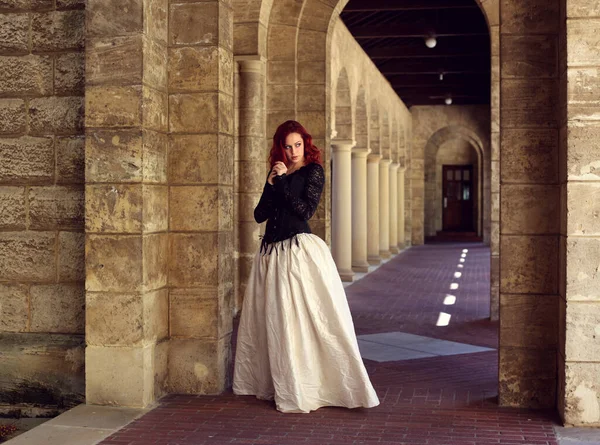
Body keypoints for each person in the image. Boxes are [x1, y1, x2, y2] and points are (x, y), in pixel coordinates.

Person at [233, 120, 380, 414]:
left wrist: (284, 181)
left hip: (298, 253)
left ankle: (311, 384)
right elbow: (259, 214)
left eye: (297, 145)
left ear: (305, 144)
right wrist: (270, 183)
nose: (292, 151)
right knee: (275, 319)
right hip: (272, 255)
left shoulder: (314, 172)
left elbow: (306, 210)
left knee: (303, 318)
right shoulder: (278, 174)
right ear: (280, 147)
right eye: (287, 146)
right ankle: (281, 383)